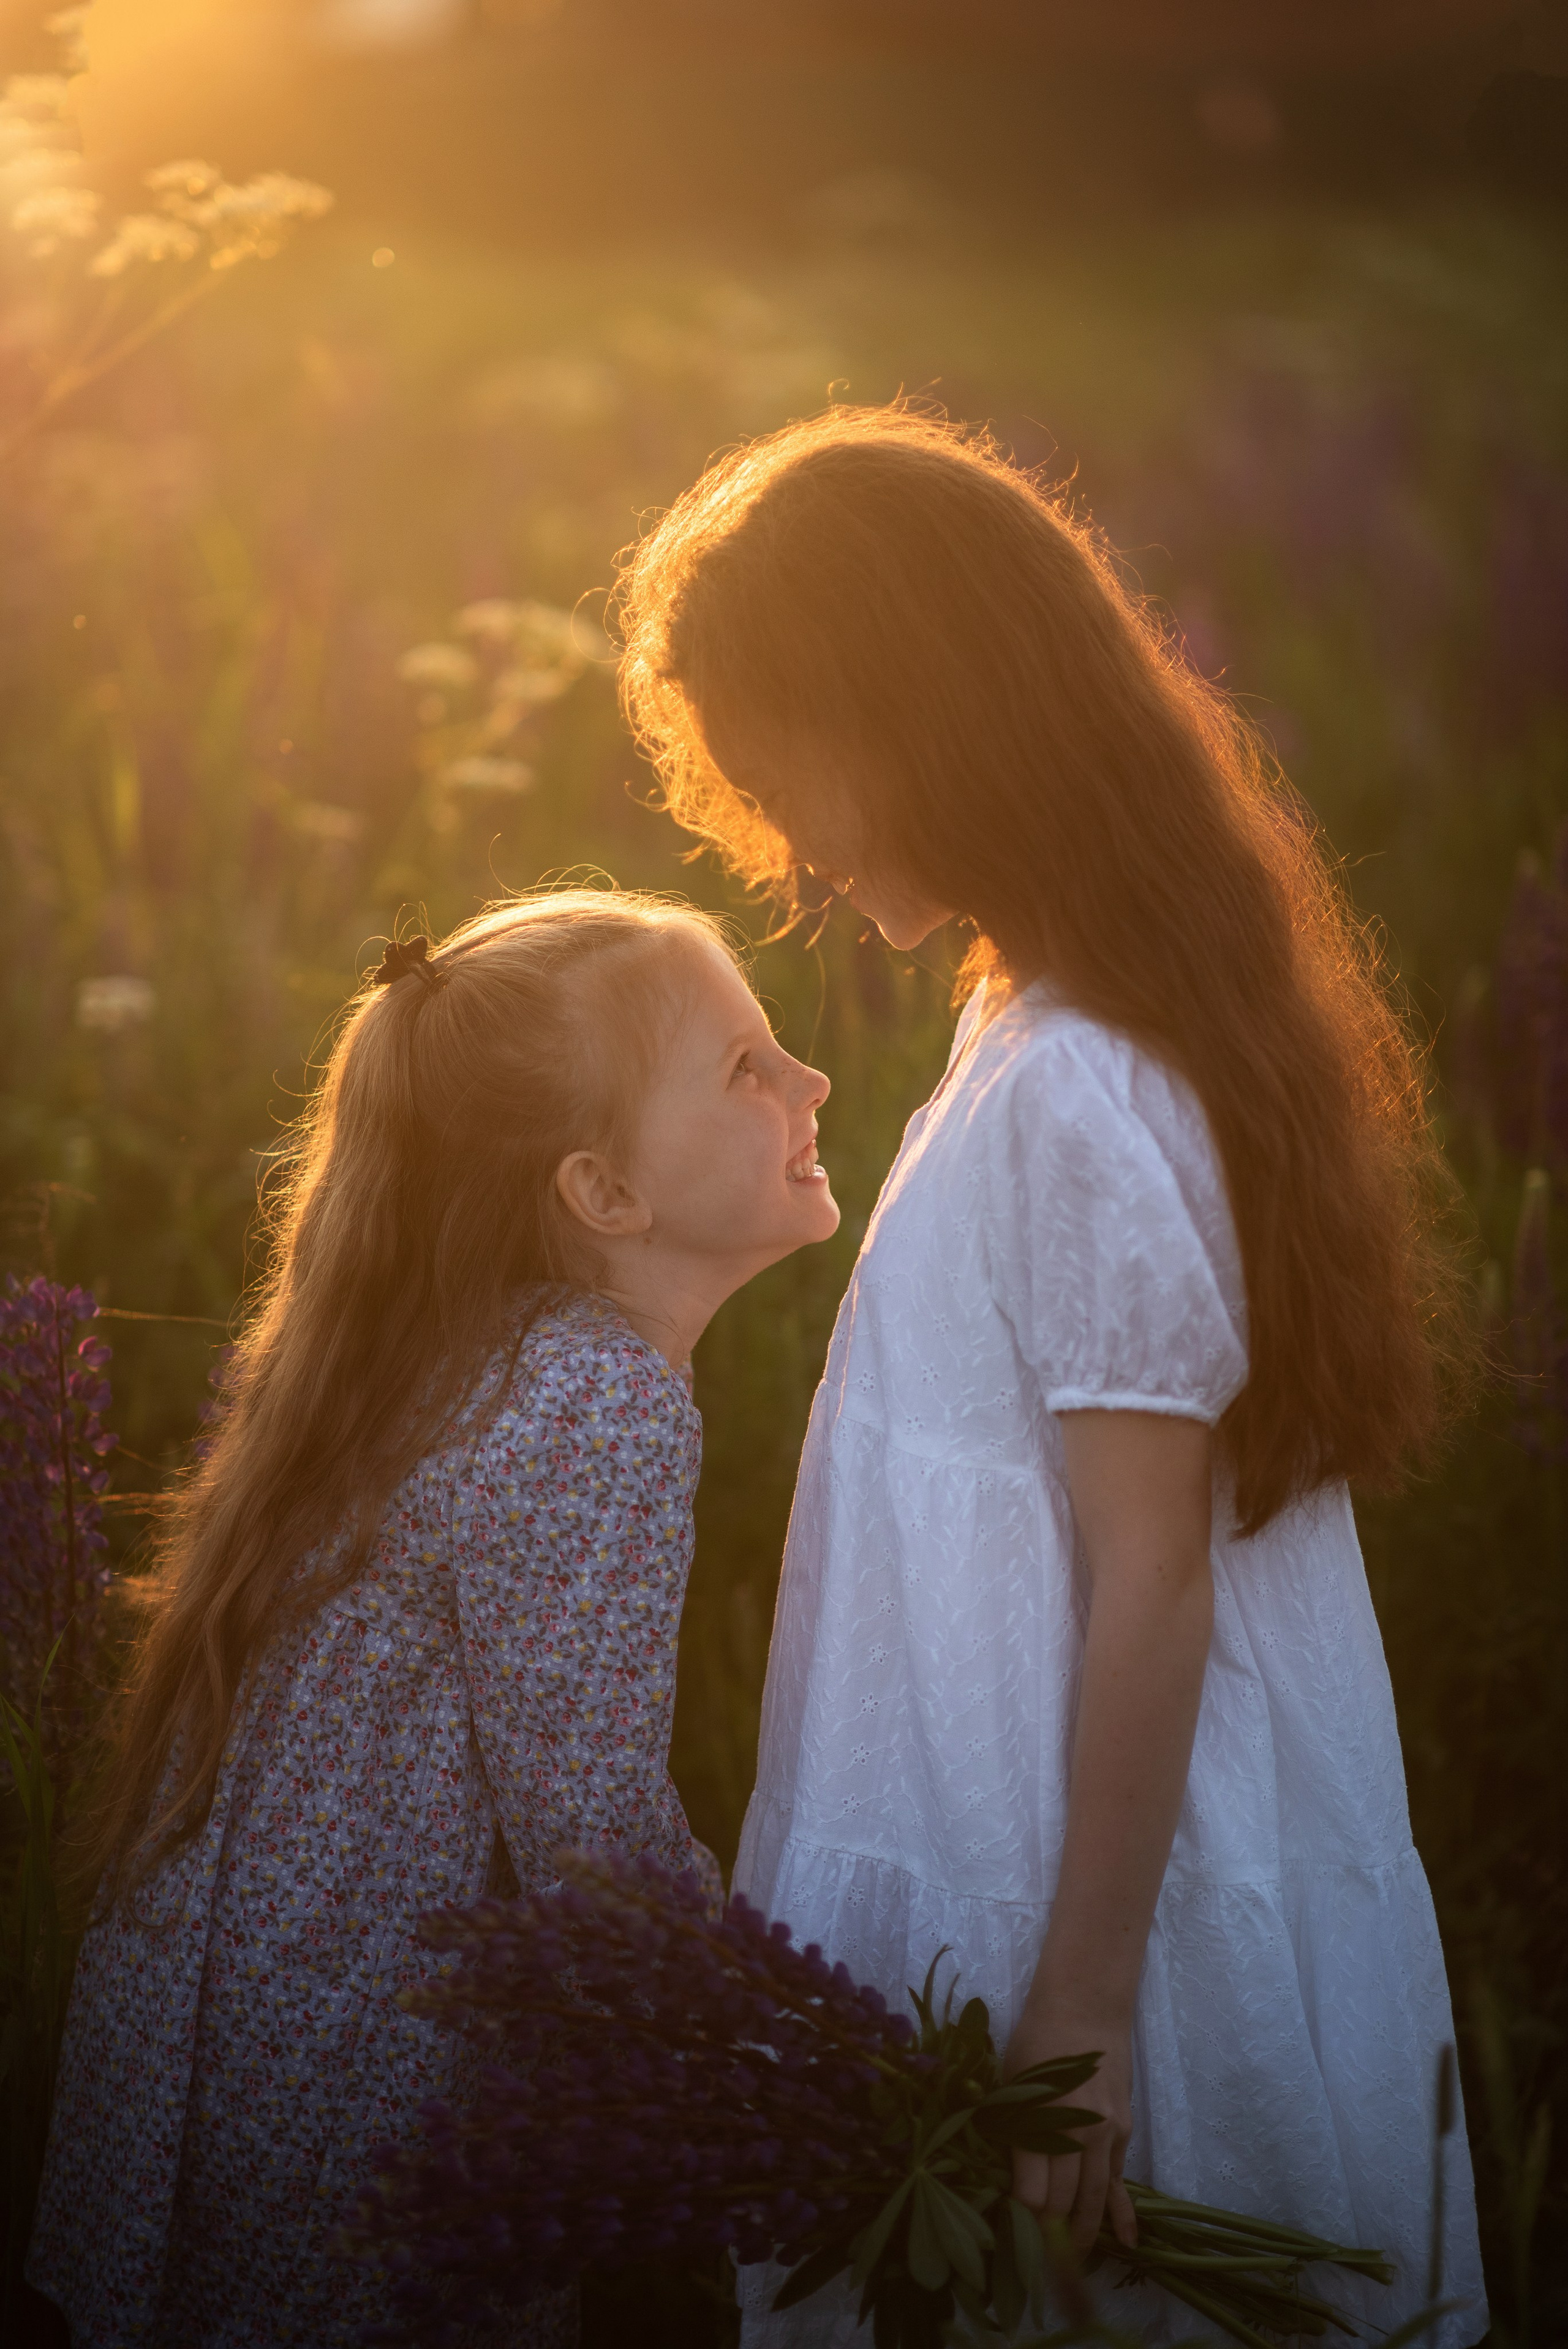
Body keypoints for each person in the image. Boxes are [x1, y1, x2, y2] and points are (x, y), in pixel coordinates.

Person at [617, 408, 1488, 2347]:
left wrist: (1079, 2017)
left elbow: (1154, 1573)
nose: (794, 853)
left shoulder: (1086, 1083)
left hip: (1080, 1906)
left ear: (922, 715)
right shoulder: (1038, 1015)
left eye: (790, 782)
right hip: (1003, 1820)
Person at [29, 888, 839, 2349]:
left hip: (240, 2037)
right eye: (744, 1067)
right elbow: (588, 1837)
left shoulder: (466, 1358)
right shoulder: (592, 1401)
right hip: (375, 2088)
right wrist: (799, 2058)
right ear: (602, 1193)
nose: (812, 1084)